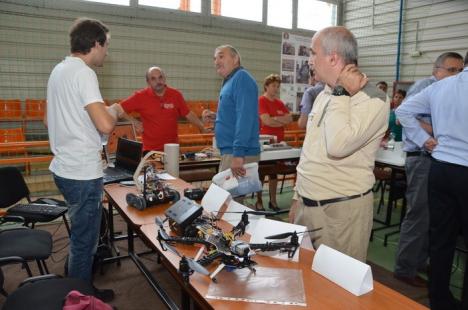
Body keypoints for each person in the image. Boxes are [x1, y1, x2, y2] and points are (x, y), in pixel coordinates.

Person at [287, 26, 388, 262]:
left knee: (338, 292)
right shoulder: (324, 93)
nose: (309, 60)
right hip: (307, 205)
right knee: (303, 282)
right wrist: (297, 197)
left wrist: (341, 93)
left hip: (340, 212)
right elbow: (310, 151)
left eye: (313, 53)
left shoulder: (373, 97)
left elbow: (338, 146)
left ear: (333, 58)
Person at [45, 17, 118, 301]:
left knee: (81, 236)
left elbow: (49, 118)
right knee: (84, 242)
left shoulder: (58, 70)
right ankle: (82, 300)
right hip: (82, 173)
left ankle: (76, 289)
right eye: (106, 46)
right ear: (95, 43)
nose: (107, 53)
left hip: (64, 168)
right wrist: (113, 109)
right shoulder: (84, 73)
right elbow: (105, 125)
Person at [395, 61, 468, 310]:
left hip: (441, 168)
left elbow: (402, 111)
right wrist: (425, 140)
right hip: (464, 168)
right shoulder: (440, 85)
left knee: (440, 239)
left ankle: (439, 300)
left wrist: (423, 140)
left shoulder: (442, 86)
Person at [114, 67, 208, 153]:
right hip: (150, 151)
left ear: (164, 78)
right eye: (153, 79)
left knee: (173, 172)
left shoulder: (176, 95)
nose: (158, 81)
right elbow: (117, 108)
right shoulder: (140, 97)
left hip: (172, 149)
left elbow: (188, 114)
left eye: (160, 77)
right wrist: (134, 122)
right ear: (148, 82)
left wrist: (202, 127)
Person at [213, 44, 260, 180]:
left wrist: (238, 154)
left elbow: (245, 118)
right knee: (231, 200)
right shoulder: (230, 81)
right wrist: (217, 118)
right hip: (230, 151)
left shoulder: (241, 78)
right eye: (215, 58)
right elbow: (236, 114)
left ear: (235, 59)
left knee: (226, 200)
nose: (216, 62)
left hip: (238, 153)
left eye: (221, 56)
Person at [255, 74, 292, 211]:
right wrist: (279, 119)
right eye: (273, 86)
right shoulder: (261, 101)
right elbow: (266, 121)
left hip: (279, 144)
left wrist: (275, 118)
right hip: (265, 143)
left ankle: (273, 201)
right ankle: (259, 201)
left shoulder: (279, 103)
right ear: (266, 86)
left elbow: (289, 119)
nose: (276, 89)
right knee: (261, 172)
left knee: (274, 172)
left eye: (277, 86)